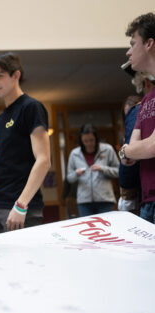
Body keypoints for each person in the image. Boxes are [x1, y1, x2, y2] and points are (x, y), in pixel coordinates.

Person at [0, 52, 51, 233]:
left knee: (25, 262)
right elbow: (6, 163)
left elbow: (44, 160)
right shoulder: (0, 120)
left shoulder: (31, 108)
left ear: (15, 75)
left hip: (21, 208)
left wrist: (21, 205)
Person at [120, 12, 155, 224]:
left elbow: (151, 147)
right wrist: (129, 150)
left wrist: (127, 150)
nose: (128, 52)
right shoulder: (148, 100)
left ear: (150, 43)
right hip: (147, 201)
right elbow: (131, 154)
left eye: (133, 44)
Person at [67, 124, 119, 217]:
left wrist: (103, 169)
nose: (89, 143)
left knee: (107, 228)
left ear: (96, 139)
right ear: (81, 141)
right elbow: (69, 178)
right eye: (85, 141)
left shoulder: (108, 149)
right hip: (84, 201)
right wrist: (76, 174)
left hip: (105, 200)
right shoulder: (74, 154)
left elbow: (119, 171)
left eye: (91, 140)